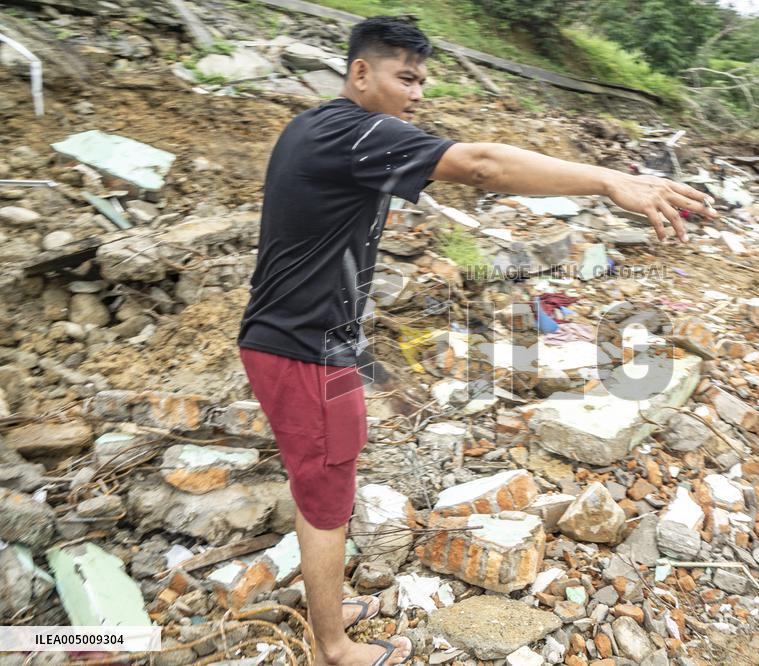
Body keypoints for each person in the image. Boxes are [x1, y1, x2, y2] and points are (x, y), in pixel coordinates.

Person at [237, 15, 716, 666]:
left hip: (301, 340)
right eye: (405, 78)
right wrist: (608, 181)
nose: (416, 94)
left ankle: (330, 605)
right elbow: (482, 165)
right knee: (326, 491)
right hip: (304, 349)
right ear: (360, 73)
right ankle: (332, 647)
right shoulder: (353, 133)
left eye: (422, 81)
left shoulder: (318, 127)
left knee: (328, 476)